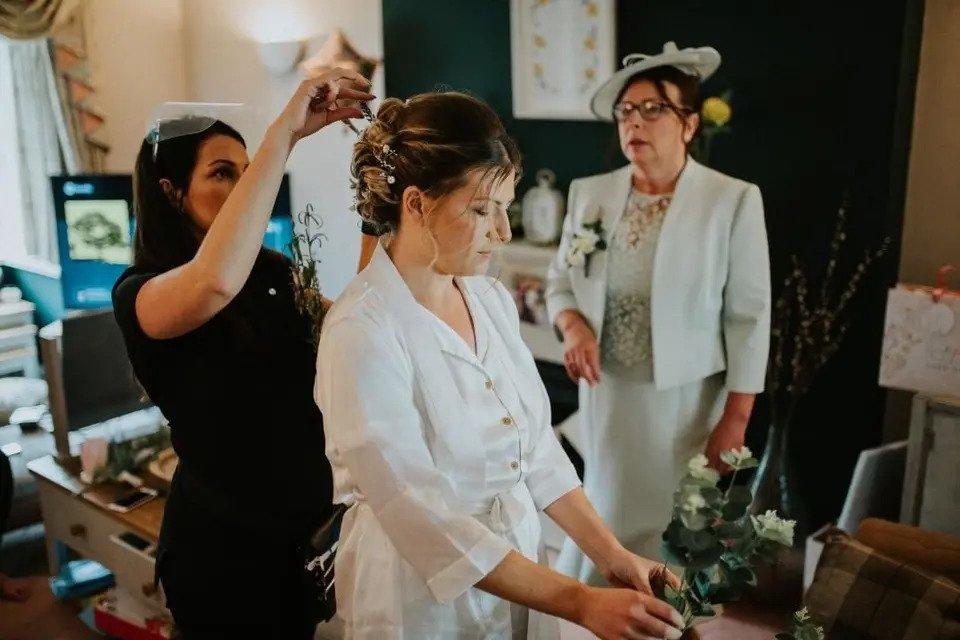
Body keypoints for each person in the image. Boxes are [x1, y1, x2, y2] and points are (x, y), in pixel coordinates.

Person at [315, 92, 685, 640]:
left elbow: (536, 449)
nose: (503, 232)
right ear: (415, 204)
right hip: (415, 595)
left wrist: (611, 556)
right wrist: (580, 603)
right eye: (483, 209)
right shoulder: (361, 332)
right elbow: (421, 514)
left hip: (518, 567)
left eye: (506, 208)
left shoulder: (488, 300)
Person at [112, 69, 373, 638]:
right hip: (223, 555)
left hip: (302, 538)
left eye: (247, 172)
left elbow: (356, 328)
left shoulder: (273, 272)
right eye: (222, 173)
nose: (242, 188)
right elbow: (213, 283)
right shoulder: (142, 292)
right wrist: (287, 133)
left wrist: (381, 210)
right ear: (170, 189)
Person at [547, 42, 772, 583]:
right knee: (607, 513)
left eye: (653, 109)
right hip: (608, 395)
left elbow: (750, 315)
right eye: (627, 111)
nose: (636, 122)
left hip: (687, 403)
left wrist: (735, 418)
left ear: (688, 124)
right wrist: (573, 326)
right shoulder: (589, 195)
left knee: (677, 531)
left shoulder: (731, 201)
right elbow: (560, 281)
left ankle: (675, 619)